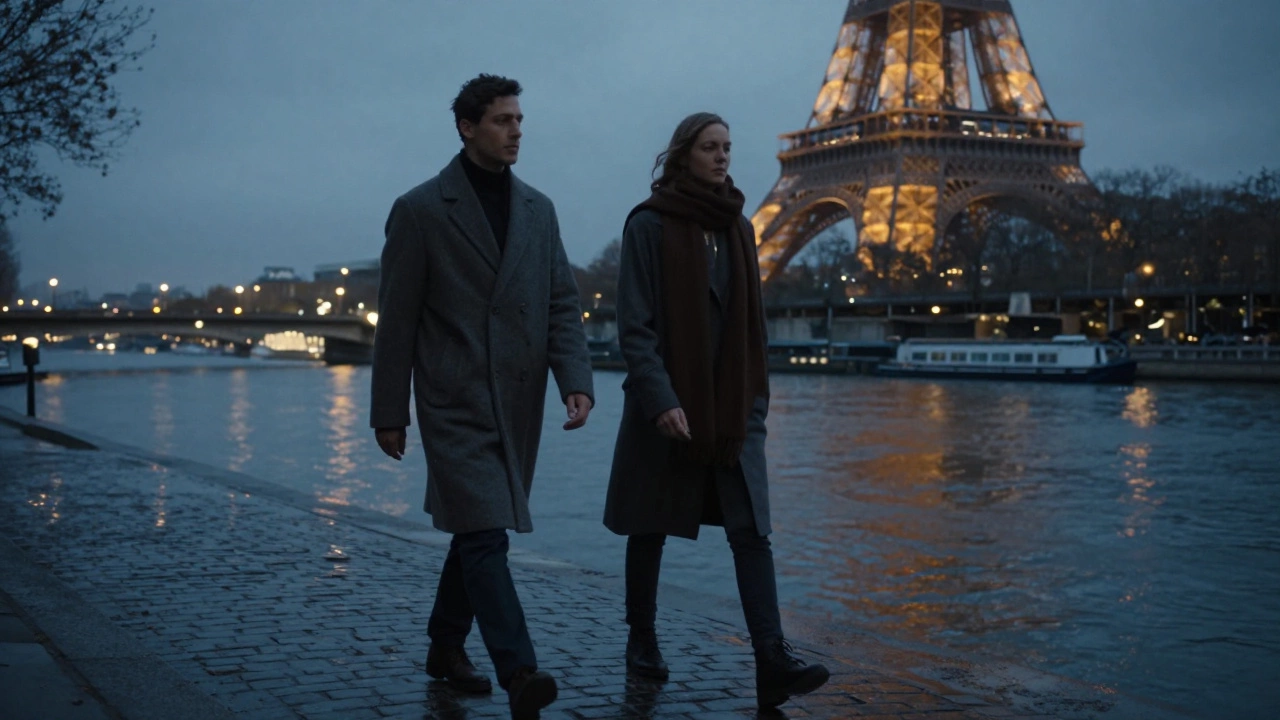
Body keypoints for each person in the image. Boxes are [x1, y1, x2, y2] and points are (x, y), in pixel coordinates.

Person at [370, 74, 594, 720]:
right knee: (486, 533)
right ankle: (519, 669)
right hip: (454, 398)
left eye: (520, 120)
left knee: (476, 530)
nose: (516, 131)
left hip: (517, 401)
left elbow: (561, 302)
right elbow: (398, 319)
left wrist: (574, 380)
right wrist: (391, 412)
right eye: (502, 121)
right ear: (468, 128)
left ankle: (444, 646)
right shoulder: (418, 211)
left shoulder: (538, 210)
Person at [603, 112, 829, 708]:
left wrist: (754, 402)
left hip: (730, 409)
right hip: (667, 406)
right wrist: (661, 401)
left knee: (752, 533)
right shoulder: (647, 226)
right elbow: (636, 327)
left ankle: (771, 657)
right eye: (710, 147)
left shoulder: (742, 229)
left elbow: (750, 327)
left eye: (728, 146)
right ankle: (642, 638)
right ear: (684, 155)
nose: (723, 156)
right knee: (648, 527)